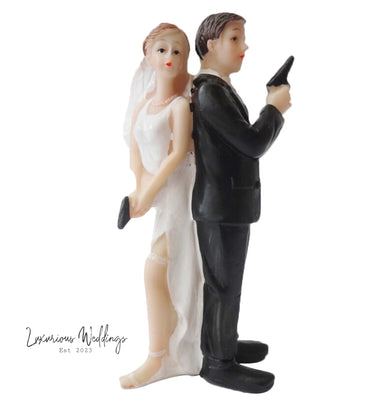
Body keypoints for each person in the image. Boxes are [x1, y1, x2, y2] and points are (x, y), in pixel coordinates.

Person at [191, 12, 292, 393]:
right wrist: (274, 109)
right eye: (235, 38)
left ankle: (223, 343)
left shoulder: (218, 88)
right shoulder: (209, 92)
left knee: (227, 283)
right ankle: (218, 363)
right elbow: (252, 143)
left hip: (227, 204)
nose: (244, 46)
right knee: (223, 286)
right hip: (219, 206)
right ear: (211, 44)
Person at [118, 23, 203, 389]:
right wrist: (139, 191)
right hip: (159, 196)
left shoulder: (181, 106)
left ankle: (161, 358)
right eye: (163, 50)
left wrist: (151, 191)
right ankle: (164, 353)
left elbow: (177, 154)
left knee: (160, 270)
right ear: (148, 56)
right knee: (162, 273)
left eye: (178, 51)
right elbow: (135, 153)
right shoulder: (144, 104)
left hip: (181, 194)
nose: (170, 57)